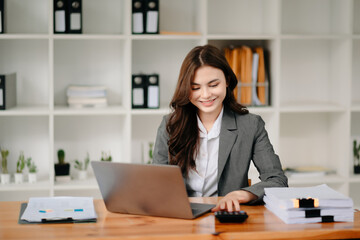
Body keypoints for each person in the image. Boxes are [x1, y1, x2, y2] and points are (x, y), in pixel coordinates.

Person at [153, 44, 288, 212]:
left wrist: (242, 194)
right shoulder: (170, 125)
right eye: (195, 88)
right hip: (180, 215)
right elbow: (157, 184)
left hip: (226, 216)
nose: (205, 95)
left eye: (213, 84)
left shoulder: (251, 125)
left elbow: (277, 179)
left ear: (227, 81)